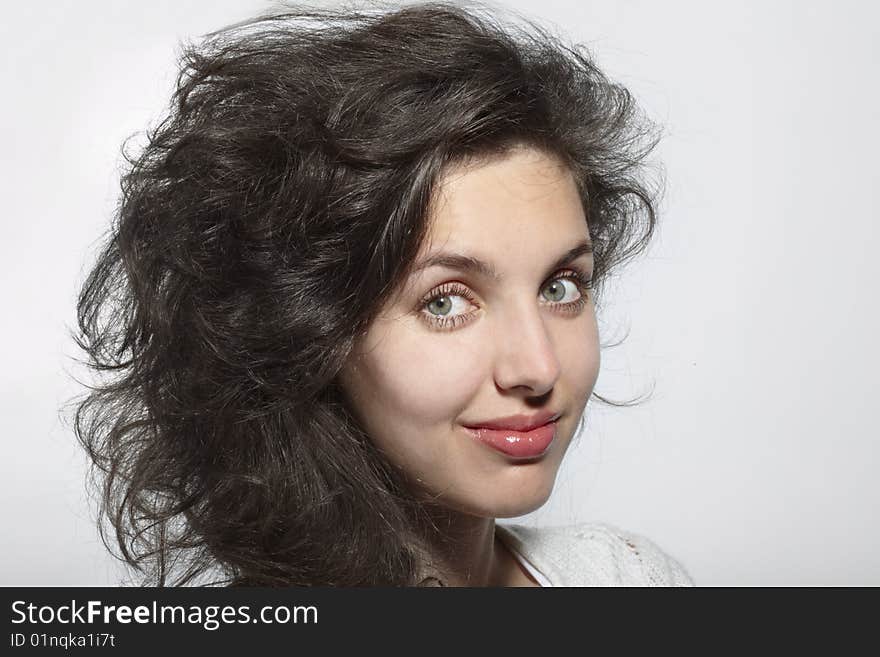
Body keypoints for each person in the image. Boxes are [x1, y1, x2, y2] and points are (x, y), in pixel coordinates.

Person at [71, 1, 693, 586]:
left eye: (561, 287)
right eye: (445, 301)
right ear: (310, 334)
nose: (538, 367)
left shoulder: (627, 577)